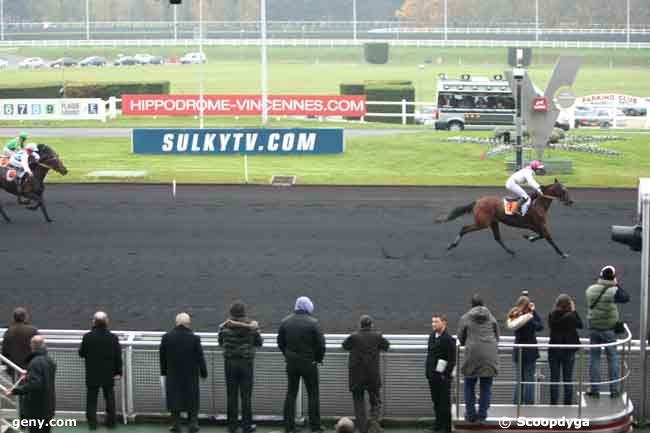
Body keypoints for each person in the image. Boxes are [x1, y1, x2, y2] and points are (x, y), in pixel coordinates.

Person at [277, 296, 326, 433]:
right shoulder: (313, 323)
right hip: (309, 363)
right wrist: (317, 359)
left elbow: (280, 342)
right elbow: (321, 344)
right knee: (313, 394)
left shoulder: (285, 322)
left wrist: (287, 355)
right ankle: (315, 427)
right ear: (308, 307)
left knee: (291, 393)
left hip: (291, 363)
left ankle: (289, 427)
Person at [218, 301, 263, 433]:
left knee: (231, 396)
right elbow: (259, 342)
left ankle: (232, 427)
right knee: (246, 397)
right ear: (244, 312)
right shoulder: (251, 327)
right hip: (246, 364)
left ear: (231, 313)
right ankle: (246, 427)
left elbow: (221, 342)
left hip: (230, 364)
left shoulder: (224, 327)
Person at [159, 313, 208, 433]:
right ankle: (193, 424)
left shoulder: (166, 337)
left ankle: (176, 424)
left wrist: (164, 372)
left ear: (176, 323)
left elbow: (162, 357)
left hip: (173, 374)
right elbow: (200, 357)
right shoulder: (195, 338)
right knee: (192, 398)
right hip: (190, 375)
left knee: (174, 398)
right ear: (188, 323)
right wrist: (203, 373)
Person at [586, 265, 629, 398]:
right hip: (609, 330)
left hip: (594, 328)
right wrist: (617, 284)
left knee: (594, 359)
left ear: (600, 275)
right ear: (613, 277)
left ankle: (595, 389)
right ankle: (614, 390)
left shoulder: (590, 289)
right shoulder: (614, 291)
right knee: (612, 359)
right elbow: (625, 298)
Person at [342, 315, 390, 433]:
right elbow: (386, 346)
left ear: (360, 325)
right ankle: (374, 426)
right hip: (372, 376)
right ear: (371, 325)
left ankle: (362, 429)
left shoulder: (354, 337)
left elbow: (344, 346)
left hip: (357, 376)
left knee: (359, 404)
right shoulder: (377, 336)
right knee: (375, 402)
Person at [457, 295, 499, 422]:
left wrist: (467, 343)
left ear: (472, 305)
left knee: (469, 384)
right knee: (486, 387)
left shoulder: (465, 318)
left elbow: (461, 337)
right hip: (489, 355)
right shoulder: (491, 317)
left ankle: (470, 415)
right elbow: (497, 336)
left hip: (472, 355)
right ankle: (482, 415)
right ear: (483, 304)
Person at [78, 311, 123, 430]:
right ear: (106, 322)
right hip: (108, 373)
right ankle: (111, 422)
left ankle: (92, 424)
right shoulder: (113, 337)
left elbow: (81, 353)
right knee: (109, 398)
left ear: (94, 322)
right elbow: (118, 356)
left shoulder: (87, 337)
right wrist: (118, 372)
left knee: (91, 400)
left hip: (92, 373)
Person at [5, 335, 56, 433]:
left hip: (37, 408)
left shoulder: (34, 362)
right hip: (48, 405)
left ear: (32, 346)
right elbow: (43, 379)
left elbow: (34, 384)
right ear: (43, 345)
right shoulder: (50, 361)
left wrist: (15, 391)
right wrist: (28, 375)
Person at [506, 295, 543, 405]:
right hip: (530, 351)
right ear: (528, 306)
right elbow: (540, 326)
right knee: (529, 379)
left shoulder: (515, 315)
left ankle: (516, 404)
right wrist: (534, 311)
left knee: (518, 380)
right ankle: (529, 405)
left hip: (518, 350)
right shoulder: (529, 319)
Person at [548, 294, 582, 405]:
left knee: (554, 379)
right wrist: (574, 310)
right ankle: (568, 404)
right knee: (568, 379)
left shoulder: (552, 315)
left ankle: (554, 403)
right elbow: (580, 324)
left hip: (554, 351)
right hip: (568, 350)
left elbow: (551, 325)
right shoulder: (571, 316)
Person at [426, 314, 456, 433]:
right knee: (436, 402)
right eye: (432, 322)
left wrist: (445, 374)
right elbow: (430, 356)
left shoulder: (449, 339)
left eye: (436, 322)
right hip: (432, 376)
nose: (433, 324)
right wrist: (429, 372)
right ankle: (438, 425)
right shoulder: (432, 336)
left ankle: (447, 427)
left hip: (443, 378)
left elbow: (452, 360)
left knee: (444, 403)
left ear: (444, 323)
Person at [1, 307, 39, 381]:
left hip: (14, 368)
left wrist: (7, 366)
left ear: (13, 318)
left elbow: (4, 352)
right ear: (25, 317)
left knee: (17, 387)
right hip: (30, 368)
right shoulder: (33, 331)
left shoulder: (9, 332)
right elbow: (39, 349)